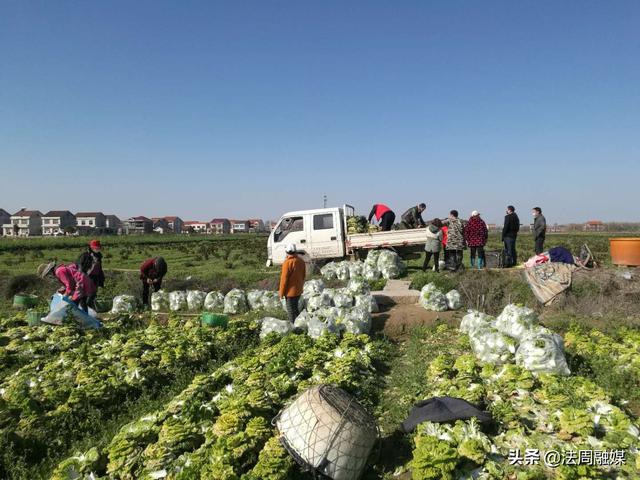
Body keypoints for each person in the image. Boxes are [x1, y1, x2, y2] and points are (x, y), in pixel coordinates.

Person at [279, 244, 306, 323]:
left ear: (287, 252)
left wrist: (281, 293)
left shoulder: (287, 263)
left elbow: (284, 280)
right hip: (298, 290)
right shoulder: (301, 261)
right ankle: (299, 324)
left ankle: (293, 327)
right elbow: (303, 275)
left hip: (290, 292)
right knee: (295, 309)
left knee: (291, 311)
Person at [76, 239, 105, 310]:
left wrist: (102, 278)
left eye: (98, 248)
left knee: (93, 295)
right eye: (96, 248)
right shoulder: (85, 255)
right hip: (86, 277)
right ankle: (84, 310)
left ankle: (90, 310)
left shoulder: (99, 256)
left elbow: (99, 268)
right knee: (84, 296)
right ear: (91, 248)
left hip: (96, 278)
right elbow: (80, 266)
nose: (98, 249)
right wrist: (81, 277)